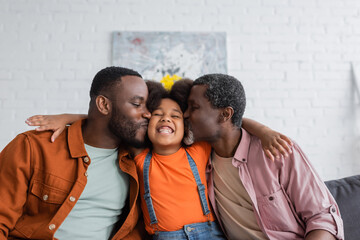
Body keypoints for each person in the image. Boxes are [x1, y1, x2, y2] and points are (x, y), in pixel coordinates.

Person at [25, 79, 293, 239]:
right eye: (158, 114)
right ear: (146, 122)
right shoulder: (139, 155)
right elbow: (107, 120)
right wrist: (67, 117)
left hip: (209, 233)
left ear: (186, 124)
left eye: (176, 115)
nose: (166, 118)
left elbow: (231, 121)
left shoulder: (198, 150)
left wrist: (265, 131)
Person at [184, 73, 344, 240]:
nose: (185, 115)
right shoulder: (198, 159)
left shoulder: (277, 151)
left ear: (225, 114)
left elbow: (323, 218)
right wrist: (262, 129)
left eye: (194, 107)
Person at [0, 66, 150, 239]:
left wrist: (69, 116)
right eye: (137, 104)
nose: (147, 114)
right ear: (103, 105)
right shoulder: (32, 147)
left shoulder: (139, 159)